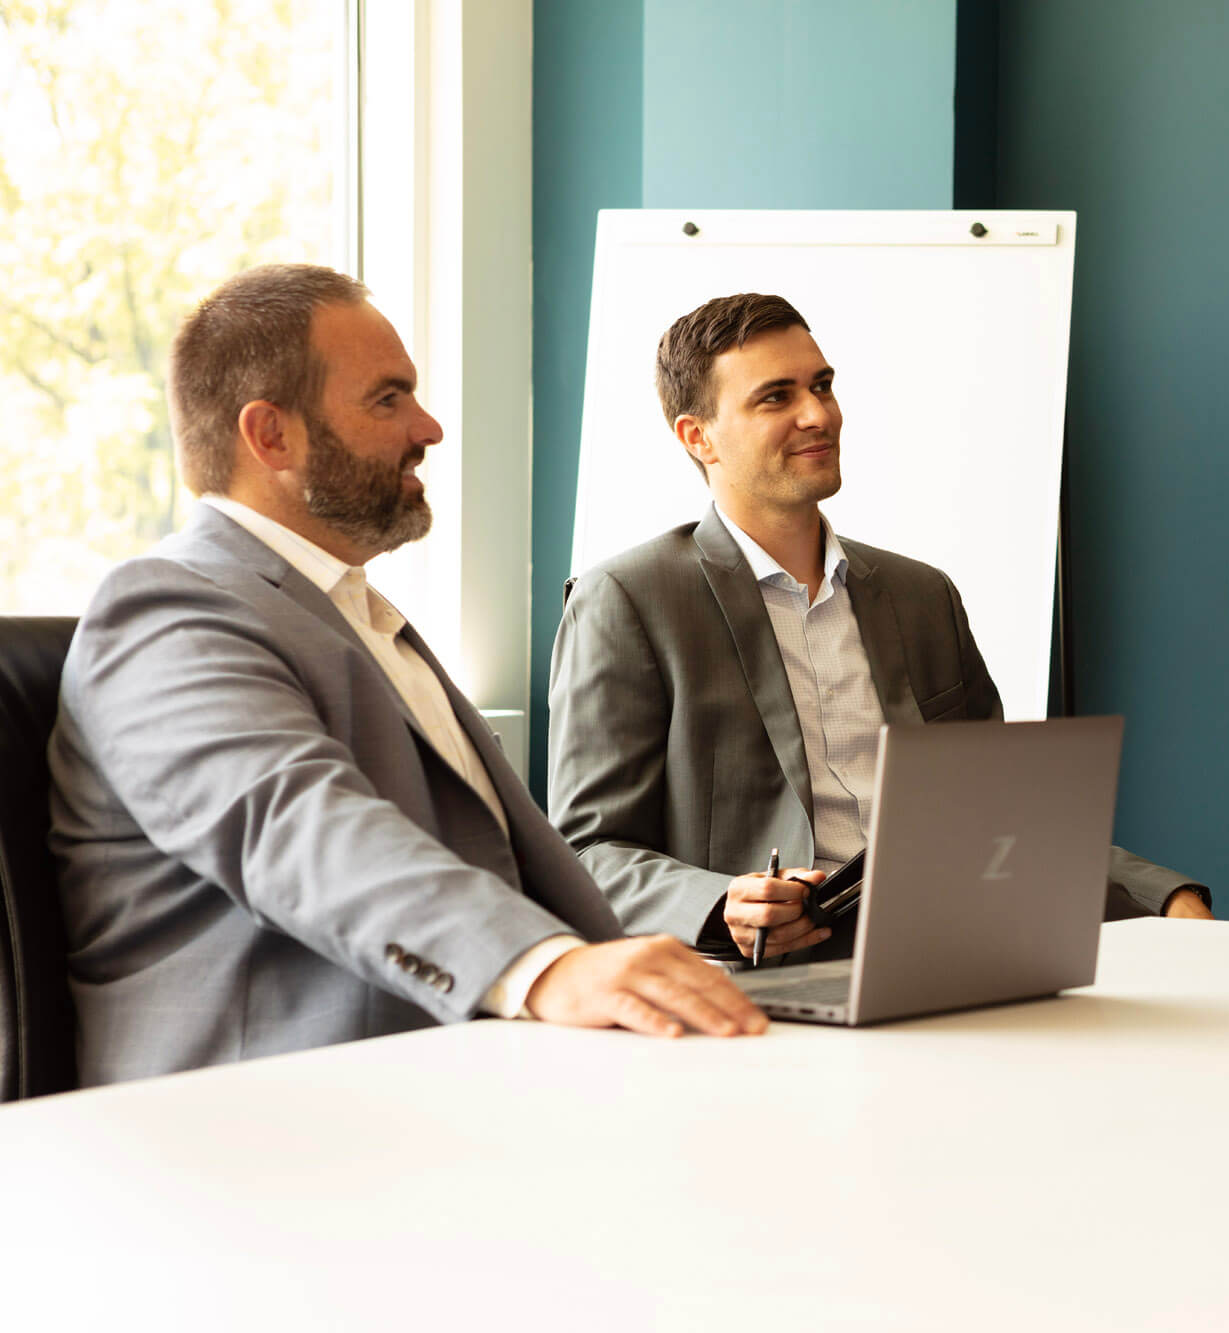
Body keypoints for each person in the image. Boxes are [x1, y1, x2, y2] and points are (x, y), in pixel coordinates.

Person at [50, 264, 767, 1087]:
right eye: (387, 399)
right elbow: (298, 827)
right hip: (266, 1124)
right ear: (270, 435)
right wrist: (545, 967)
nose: (428, 427)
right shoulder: (167, 607)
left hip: (464, 1076)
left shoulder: (351, 610)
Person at [548, 293, 1212, 963]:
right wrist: (723, 903)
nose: (818, 415)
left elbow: (996, 813)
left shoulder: (921, 596)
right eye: (776, 397)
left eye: (822, 385)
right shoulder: (628, 600)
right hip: (767, 982)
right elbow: (587, 851)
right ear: (699, 436)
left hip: (952, 948)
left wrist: (1156, 892)